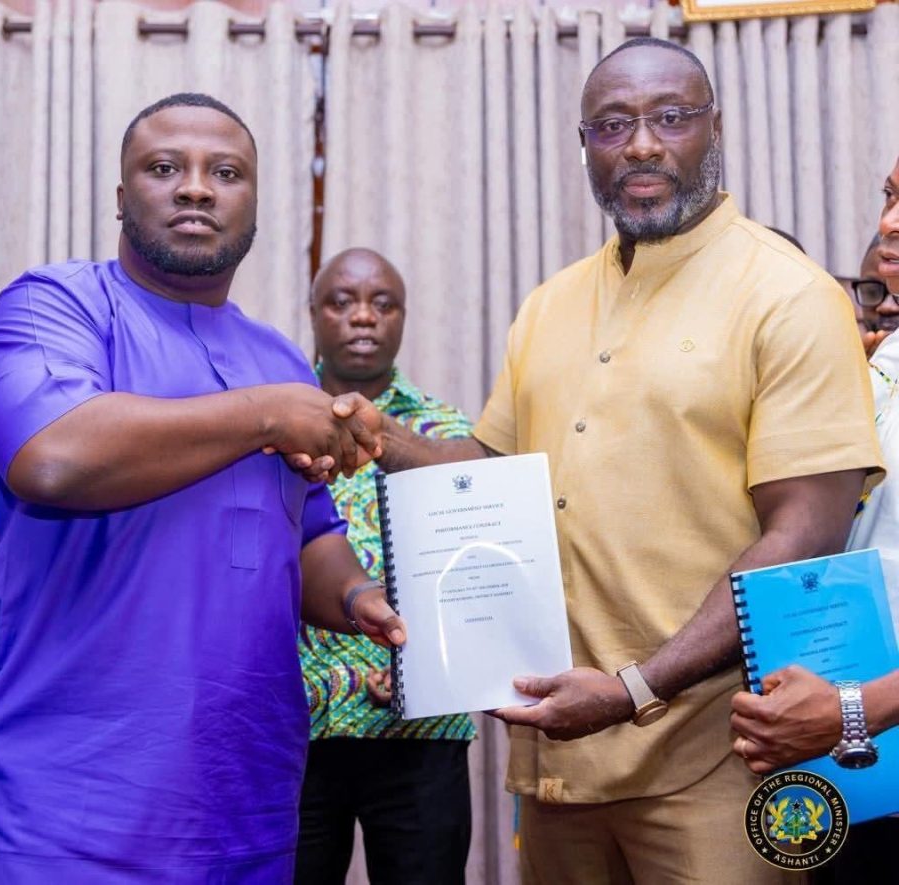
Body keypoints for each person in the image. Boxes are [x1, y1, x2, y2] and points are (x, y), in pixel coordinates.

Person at [294, 37, 884, 884]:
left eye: (670, 117)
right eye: (612, 125)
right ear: (584, 146)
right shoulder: (551, 303)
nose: (641, 143)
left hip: (717, 757)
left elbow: (803, 532)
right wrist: (377, 436)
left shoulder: (790, 296)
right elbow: (484, 467)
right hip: (560, 757)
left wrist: (635, 686)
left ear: (714, 129)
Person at [0, 93, 405, 884]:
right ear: (121, 196)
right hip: (66, 810)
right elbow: (51, 455)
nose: (196, 187)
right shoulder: (53, 307)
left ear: (254, 204)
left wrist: (357, 596)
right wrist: (267, 414)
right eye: (165, 168)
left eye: (225, 173)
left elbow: (306, 534)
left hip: (247, 807)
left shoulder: (278, 360)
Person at [731, 157, 899, 884]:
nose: (889, 222)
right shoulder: (876, 365)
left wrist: (854, 709)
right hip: (856, 763)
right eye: (889, 195)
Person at [296, 248, 475, 885]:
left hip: (421, 730)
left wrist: (423, 670)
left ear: (403, 317)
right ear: (312, 313)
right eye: (342, 301)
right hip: (295, 729)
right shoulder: (275, 427)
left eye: (383, 303)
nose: (363, 317)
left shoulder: (447, 434)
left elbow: (474, 575)